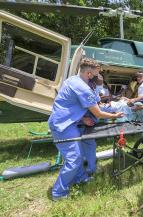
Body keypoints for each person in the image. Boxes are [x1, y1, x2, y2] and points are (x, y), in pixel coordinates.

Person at [48, 57, 123, 201]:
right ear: (89, 74)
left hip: (69, 122)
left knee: (78, 154)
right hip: (62, 126)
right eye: (95, 75)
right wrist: (116, 114)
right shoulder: (82, 87)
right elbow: (98, 113)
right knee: (74, 159)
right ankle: (58, 193)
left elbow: (68, 105)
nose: (96, 78)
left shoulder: (72, 80)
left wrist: (82, 118)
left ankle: (80, 178)